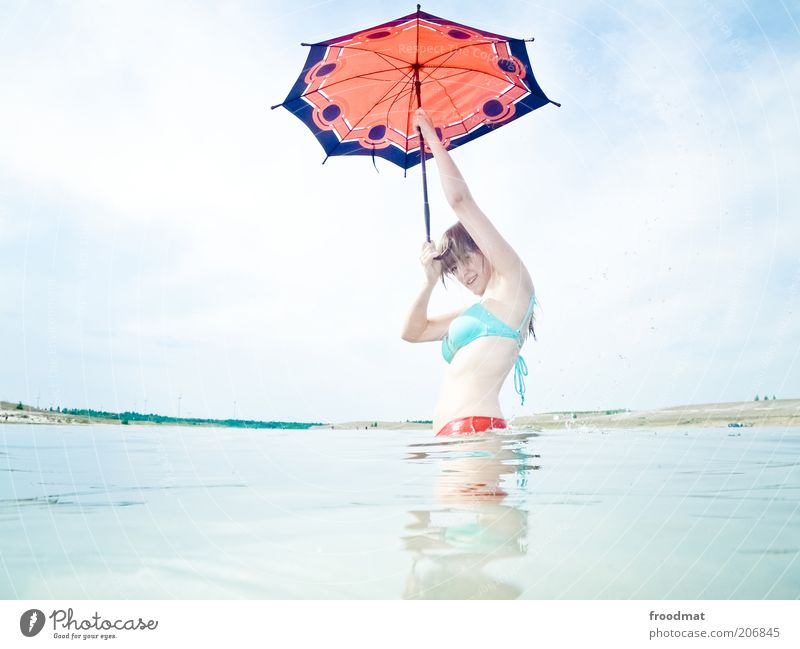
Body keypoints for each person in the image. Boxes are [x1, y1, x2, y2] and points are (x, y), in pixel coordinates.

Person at [400, 108, 537, 437]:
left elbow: (460, 199)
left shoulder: (513, 284)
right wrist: (429, 282)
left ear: (484, 249)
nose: (462, 272)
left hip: (473, 432)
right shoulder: (478, 310)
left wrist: (430, 135)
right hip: (454, 437)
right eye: (454, 267)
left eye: (467, 258)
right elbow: (412, 333)